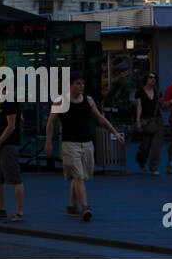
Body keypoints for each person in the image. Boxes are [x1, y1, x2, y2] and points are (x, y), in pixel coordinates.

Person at [44, 74, 124, 222]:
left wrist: (114, 133)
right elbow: (50, 123)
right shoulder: (60, 101)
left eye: (83, 83)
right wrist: (48, 142)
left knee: (79, 176)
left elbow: (100, 118)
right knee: (78, 175)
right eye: (78, 83)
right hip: (69, 144)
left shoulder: (88, 100)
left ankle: (71, 206)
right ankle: (85, 207)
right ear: (70, 85)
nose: (81, 86)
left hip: (86, 143)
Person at [0, 97, 24, 222]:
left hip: (9, 145)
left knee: (15, 178)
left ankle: (19, 213)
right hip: (3, 145)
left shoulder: (9, 101)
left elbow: (12, 125)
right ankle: (1, 210)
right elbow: (19, 119)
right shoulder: (4, 102)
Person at [133, 72, 163, 174]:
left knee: (156, 146)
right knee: (145, 145)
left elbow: (162, 105)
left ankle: (153, 167)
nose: (153, 79)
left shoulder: (158, 92)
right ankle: (141, 160)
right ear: (146, 79)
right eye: (150, 77)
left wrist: (171, 103)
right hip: (145, 120)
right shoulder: (139, 92)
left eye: (155, 78)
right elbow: (139, 106)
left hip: (157, 119)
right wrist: (138, 121)